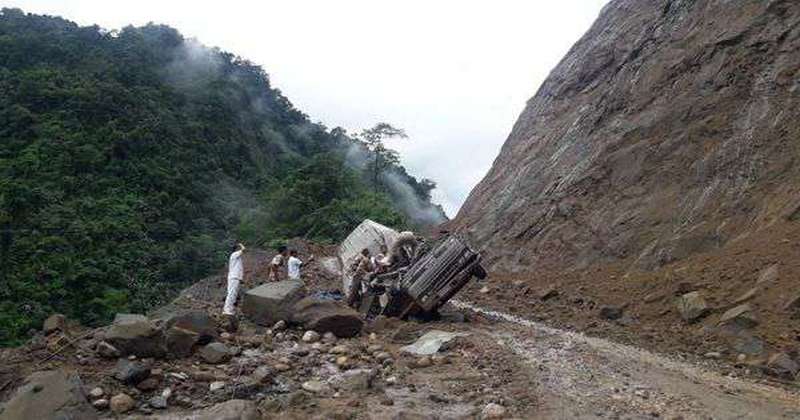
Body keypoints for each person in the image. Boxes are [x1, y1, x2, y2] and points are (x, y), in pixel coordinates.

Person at [223, 243, 245, 316]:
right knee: (232, 294)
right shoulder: (234, 254)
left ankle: (230, 309)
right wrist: (241, 244)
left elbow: (239, 268)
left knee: (233, 294)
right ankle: (227, 310)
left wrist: (240, 278)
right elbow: (244, 249)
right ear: (236, 249)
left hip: (235, 277)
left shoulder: (236, 257)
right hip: (234, 277)